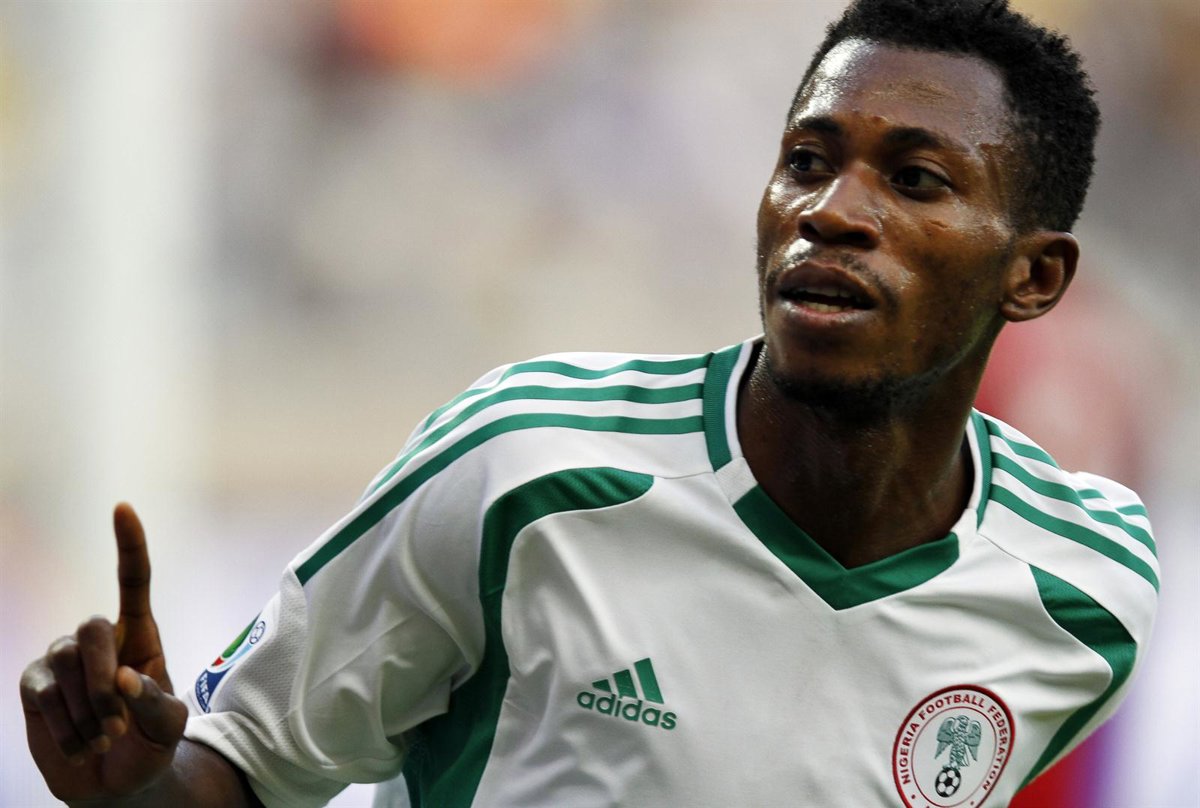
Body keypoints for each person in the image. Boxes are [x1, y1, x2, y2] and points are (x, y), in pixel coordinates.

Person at [20, 0, 1160, 805]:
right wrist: (133, 788)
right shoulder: (529, 465)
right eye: (808, 161)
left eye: (914, 180)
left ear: (1034, 276)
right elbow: (240, 770)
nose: (831, 211)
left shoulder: (1089, 586)